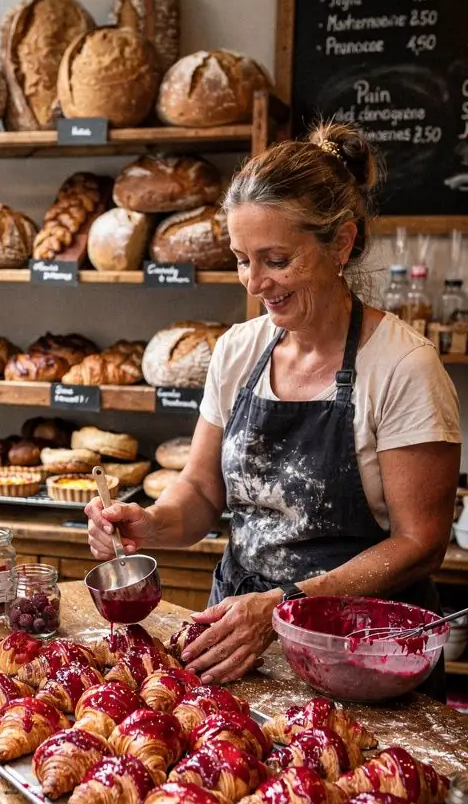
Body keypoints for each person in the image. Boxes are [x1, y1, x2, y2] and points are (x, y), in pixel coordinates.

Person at [87, 122, 461, 691]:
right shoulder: (238, 350)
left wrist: (284, 605)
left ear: (341, 243)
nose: (255, 282)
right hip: (238, 642)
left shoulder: (404, 366)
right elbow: (202, 491)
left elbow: (419, 545)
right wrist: (151, 524)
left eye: (276, 259)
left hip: (361, 657)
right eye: (242, 259)